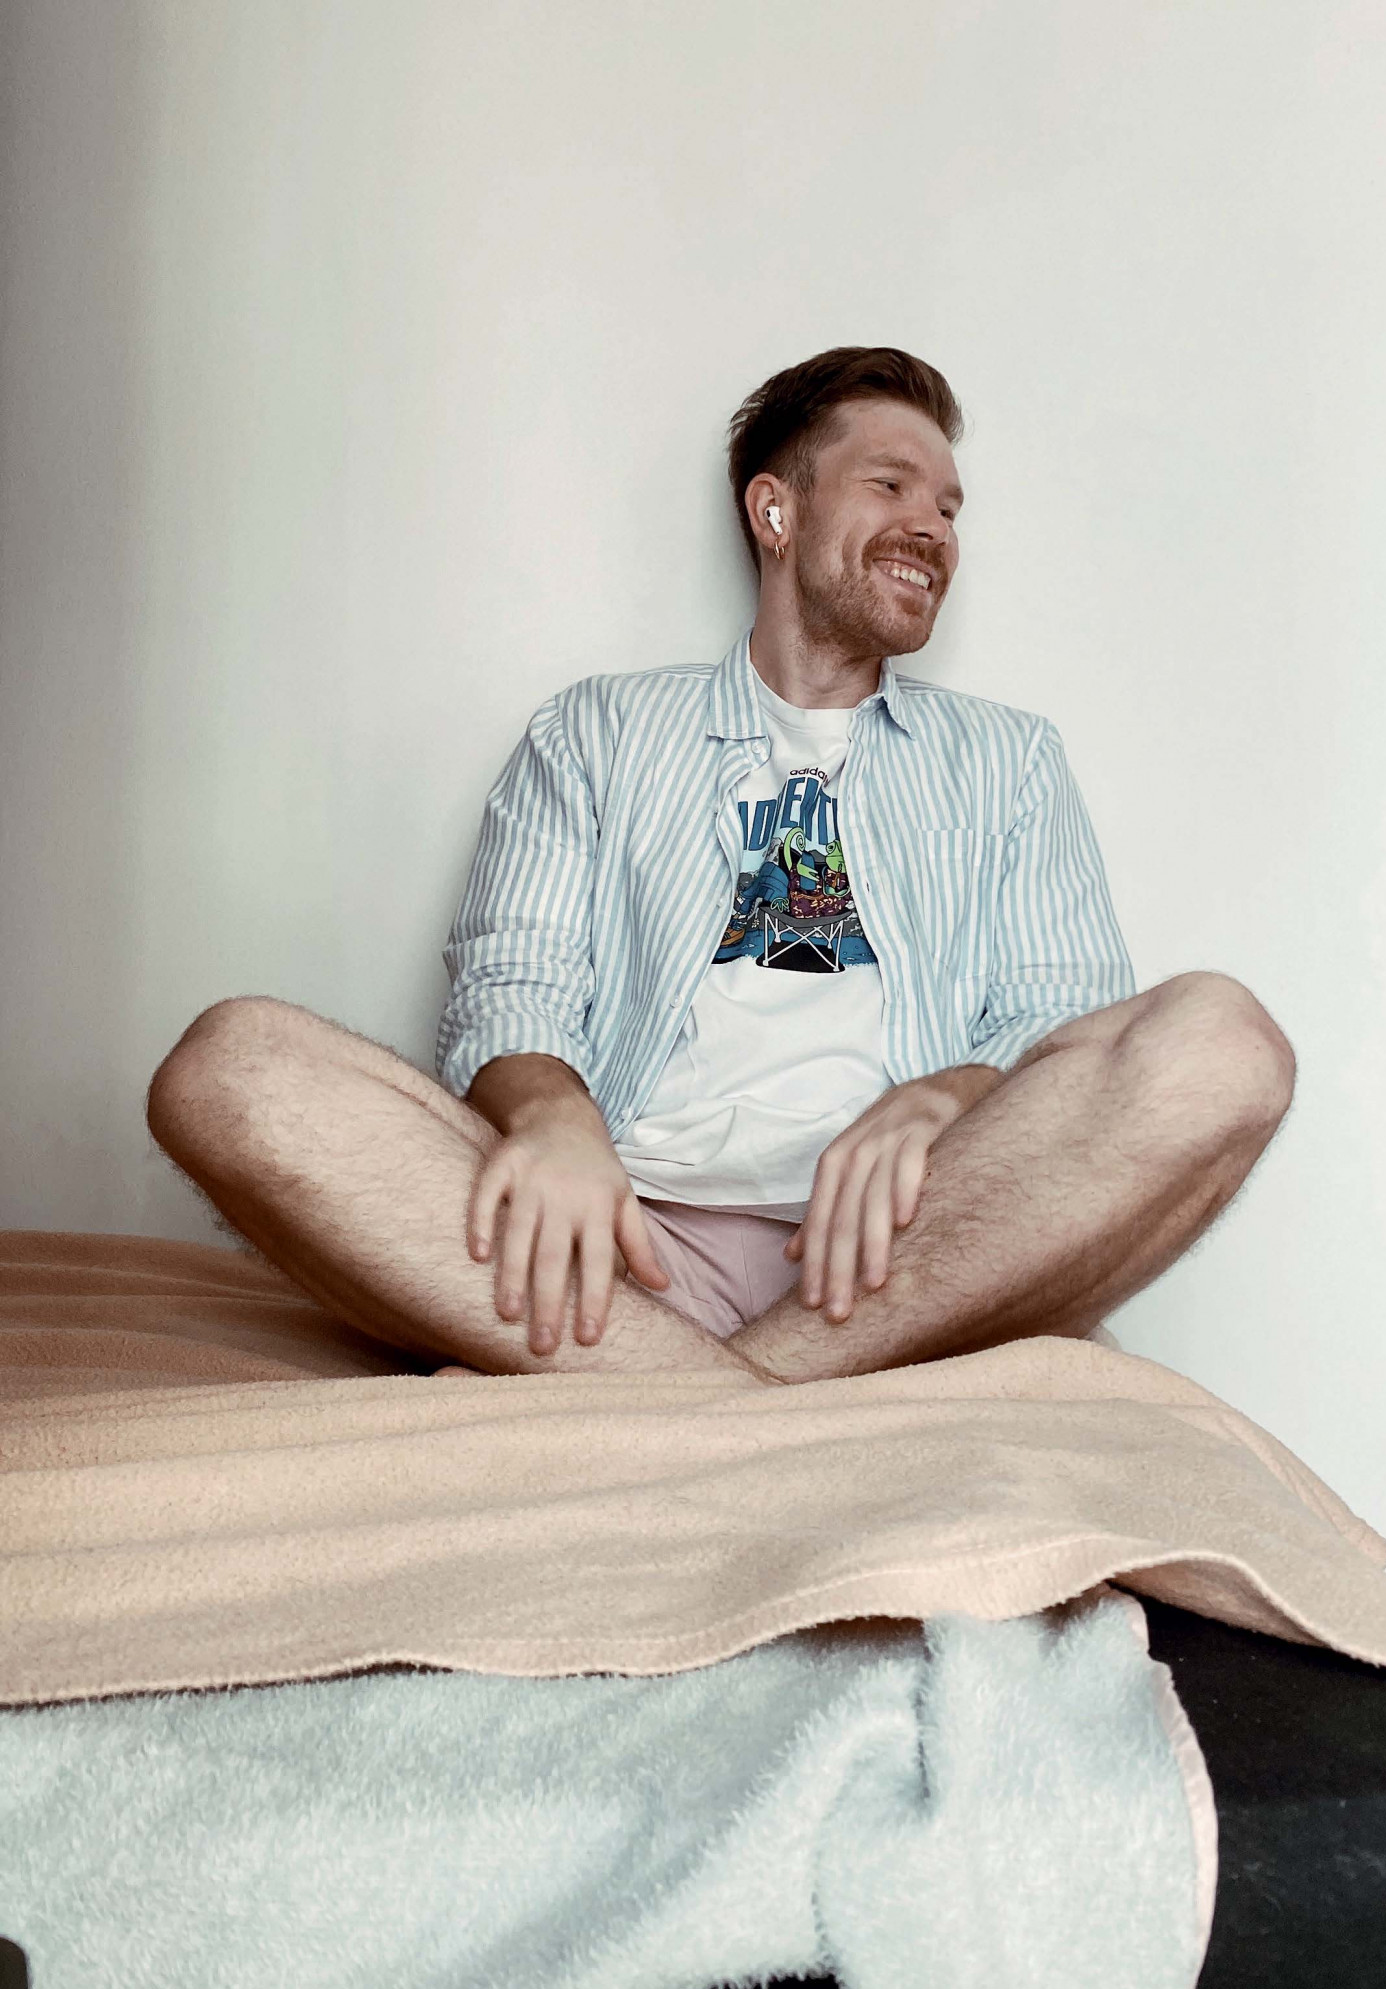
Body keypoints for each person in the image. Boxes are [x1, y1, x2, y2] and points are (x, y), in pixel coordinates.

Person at [146, 346, 1295, 1388]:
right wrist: (553, 1117)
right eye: (892, 485)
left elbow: (1069, 1023)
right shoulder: (596, 732)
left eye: (950, 507)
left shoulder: (1010, 762)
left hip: (919, 1256)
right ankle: (777, 1398)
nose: (934, 528)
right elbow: (511, 985)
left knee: (1226, 1044)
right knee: (228, 1068)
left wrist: (947, 1093)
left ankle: (687, 1398)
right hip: (626, 1252)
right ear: (775, 510)